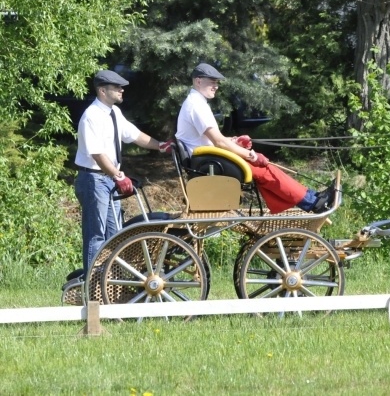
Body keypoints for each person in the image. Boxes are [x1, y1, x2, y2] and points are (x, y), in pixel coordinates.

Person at [175, 63, 334, 214]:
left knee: (266, 169)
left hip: (208, 159)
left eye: (217, 82)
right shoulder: (197, 106)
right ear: (198, 81)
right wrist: (252, 155)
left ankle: (312, 197)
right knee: (263, 170)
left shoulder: (195, 103)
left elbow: (212, 139)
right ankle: (313, 202)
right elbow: (219, 142)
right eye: (212, 82)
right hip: (207, 163)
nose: (216, 86)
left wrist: (234, 141)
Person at [74, 70, 174, 278]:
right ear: (102, 91)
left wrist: (161, 146)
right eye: (117, 87)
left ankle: (113, 285)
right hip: (93, 179)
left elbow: (135, 135)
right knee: (96, 235)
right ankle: (92, 286)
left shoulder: (114, 113)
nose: (122, 90)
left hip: (109, 179)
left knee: (116, 237)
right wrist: (118, 175)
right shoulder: (91, 116)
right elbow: (97, 154)